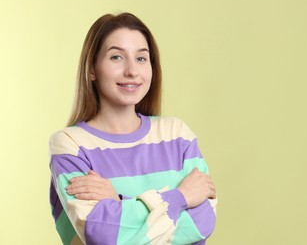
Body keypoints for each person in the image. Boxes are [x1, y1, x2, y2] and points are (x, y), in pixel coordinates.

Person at [49, 12, 217, 245]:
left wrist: (119, 203)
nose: (132, 71)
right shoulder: (69, 144)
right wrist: (182, 197)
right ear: (92, 69)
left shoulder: (177, 135)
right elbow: (103, 237)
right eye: (116, 57)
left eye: (141, 58)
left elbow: (202, 224)